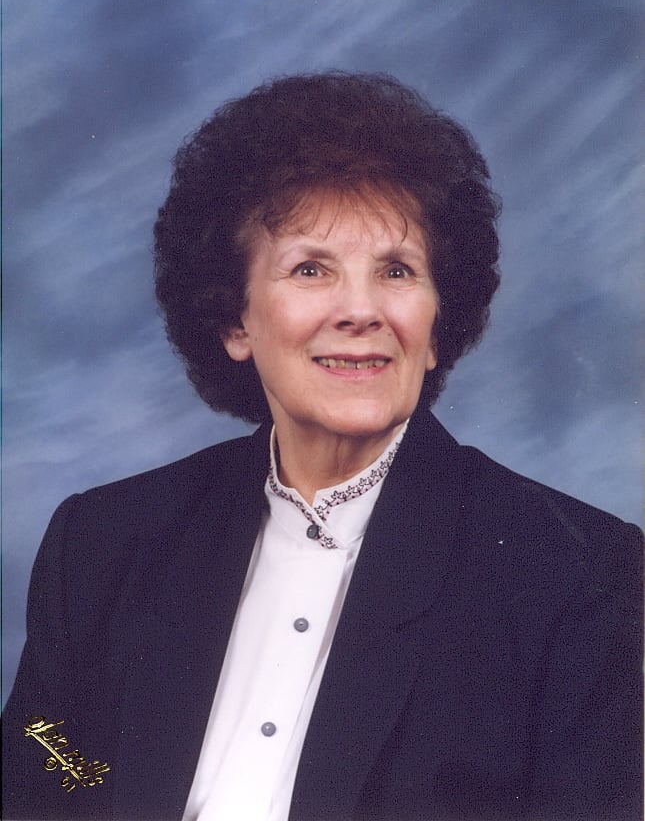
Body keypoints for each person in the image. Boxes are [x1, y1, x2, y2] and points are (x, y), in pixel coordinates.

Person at [2, 72, 642, 821]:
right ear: (234, 320)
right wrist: (86, 791)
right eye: (311, 269)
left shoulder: (575, 577)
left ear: (437, 325)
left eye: (396, 270)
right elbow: (51, 758)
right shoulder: (103, 540)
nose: (361, 310)